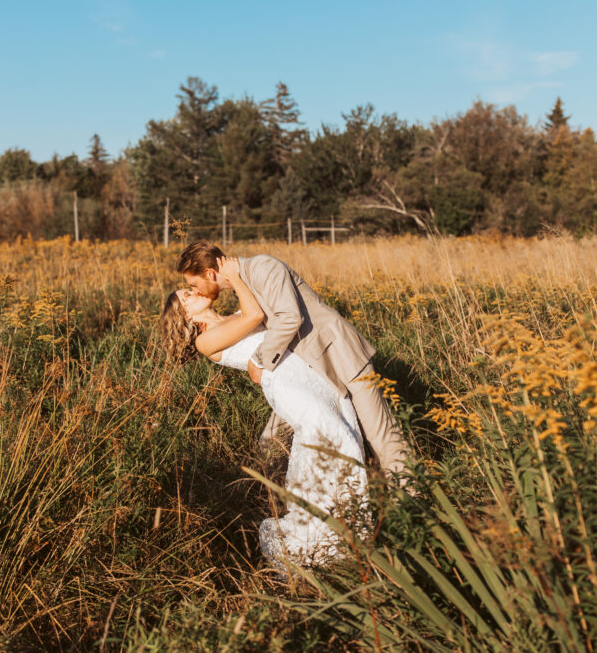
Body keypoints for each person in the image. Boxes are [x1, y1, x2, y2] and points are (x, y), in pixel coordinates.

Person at [161, 256, 367, 571]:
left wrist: (233, 278)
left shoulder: (230, 316)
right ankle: (316, 537)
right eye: (185, 297)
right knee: (329, 436)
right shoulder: (205, 341)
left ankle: (345, 525)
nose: (191, 293)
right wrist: (235, 276)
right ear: (186, 314)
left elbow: (259, 313)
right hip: (284, 382)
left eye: (188, 289)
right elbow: (256, 313)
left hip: (306, 374)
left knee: (340, 432)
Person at [176, 241, 412, 483]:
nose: (196, 291)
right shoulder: (243, 285)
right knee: (272, 442)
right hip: (310, 371)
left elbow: (290, 317)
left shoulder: (262, 267)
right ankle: (282, 498)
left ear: (209, 273)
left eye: (193, 284)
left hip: (339, 353)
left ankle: (411, 502)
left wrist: (257, 361)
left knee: (380, 435)